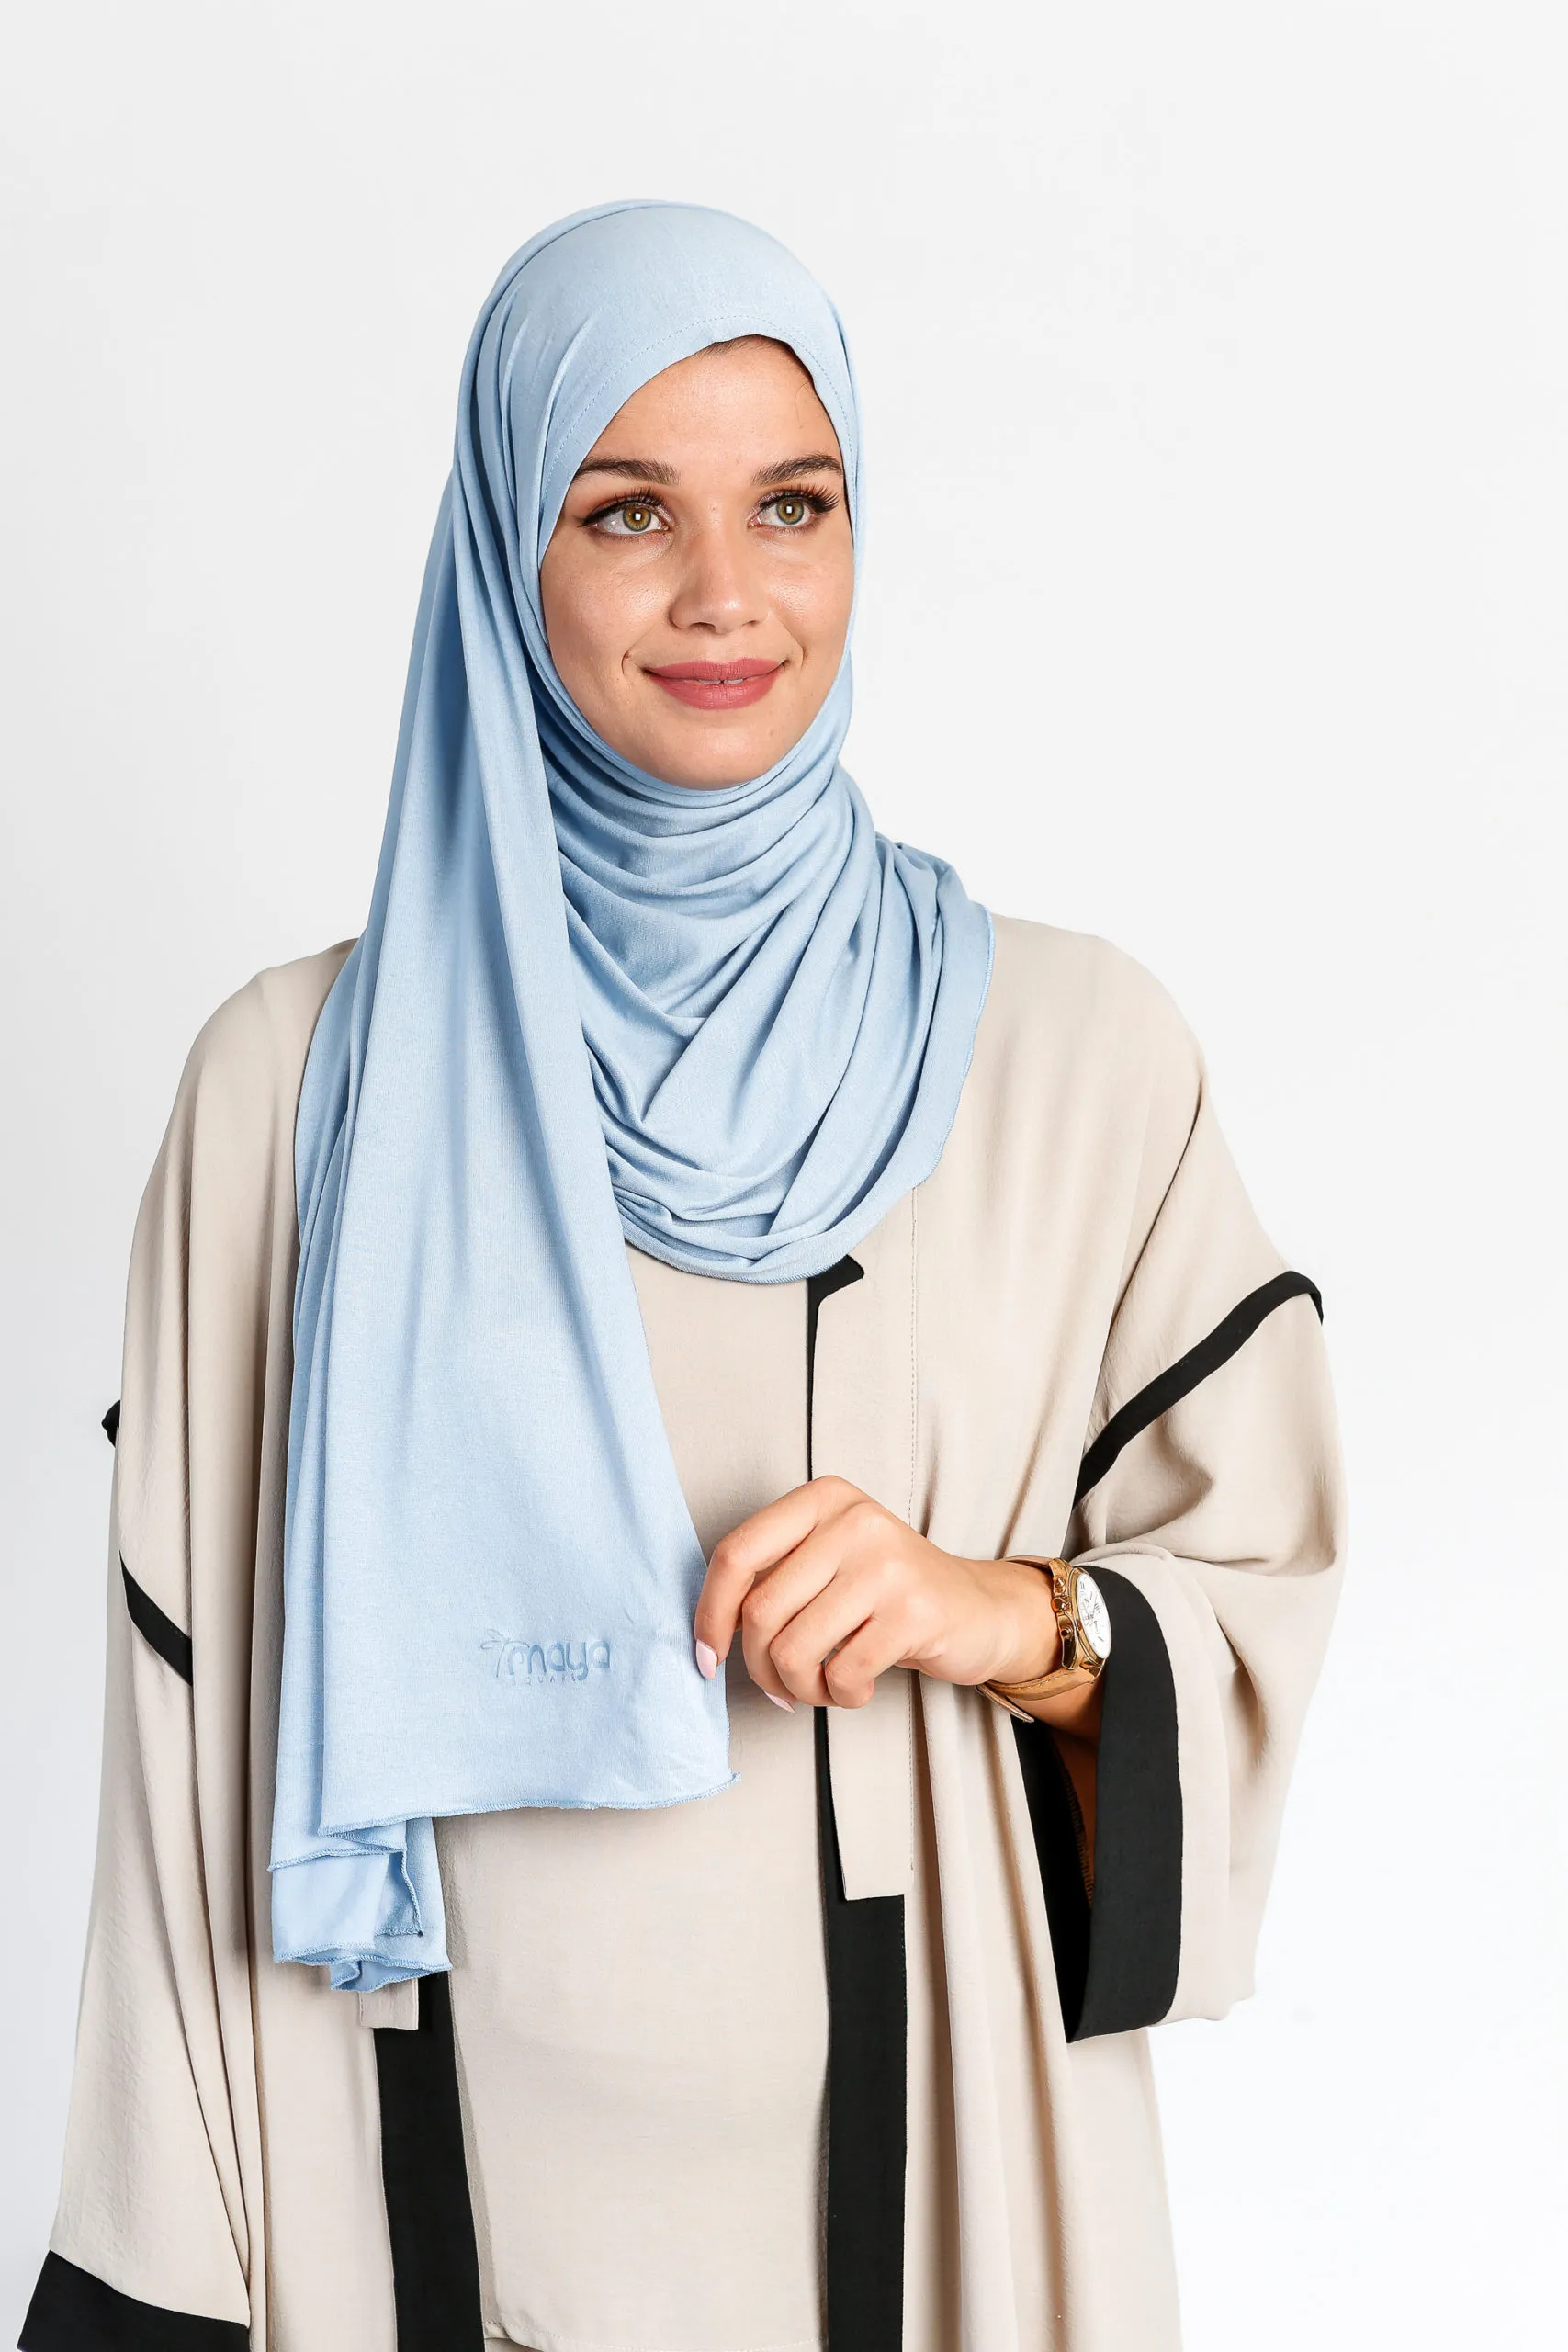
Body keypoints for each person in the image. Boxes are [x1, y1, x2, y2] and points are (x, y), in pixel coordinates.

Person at [20, 203, 1344, 2352]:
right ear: (503, 554)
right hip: (408, 2209)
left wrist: (996, 1608)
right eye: (626, 510)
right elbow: (179, 1763)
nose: (727, 592)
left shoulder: (1071, 1061)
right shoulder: (296, 1087)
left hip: (935, 2213)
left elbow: (1257, 1589)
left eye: (790, 505)